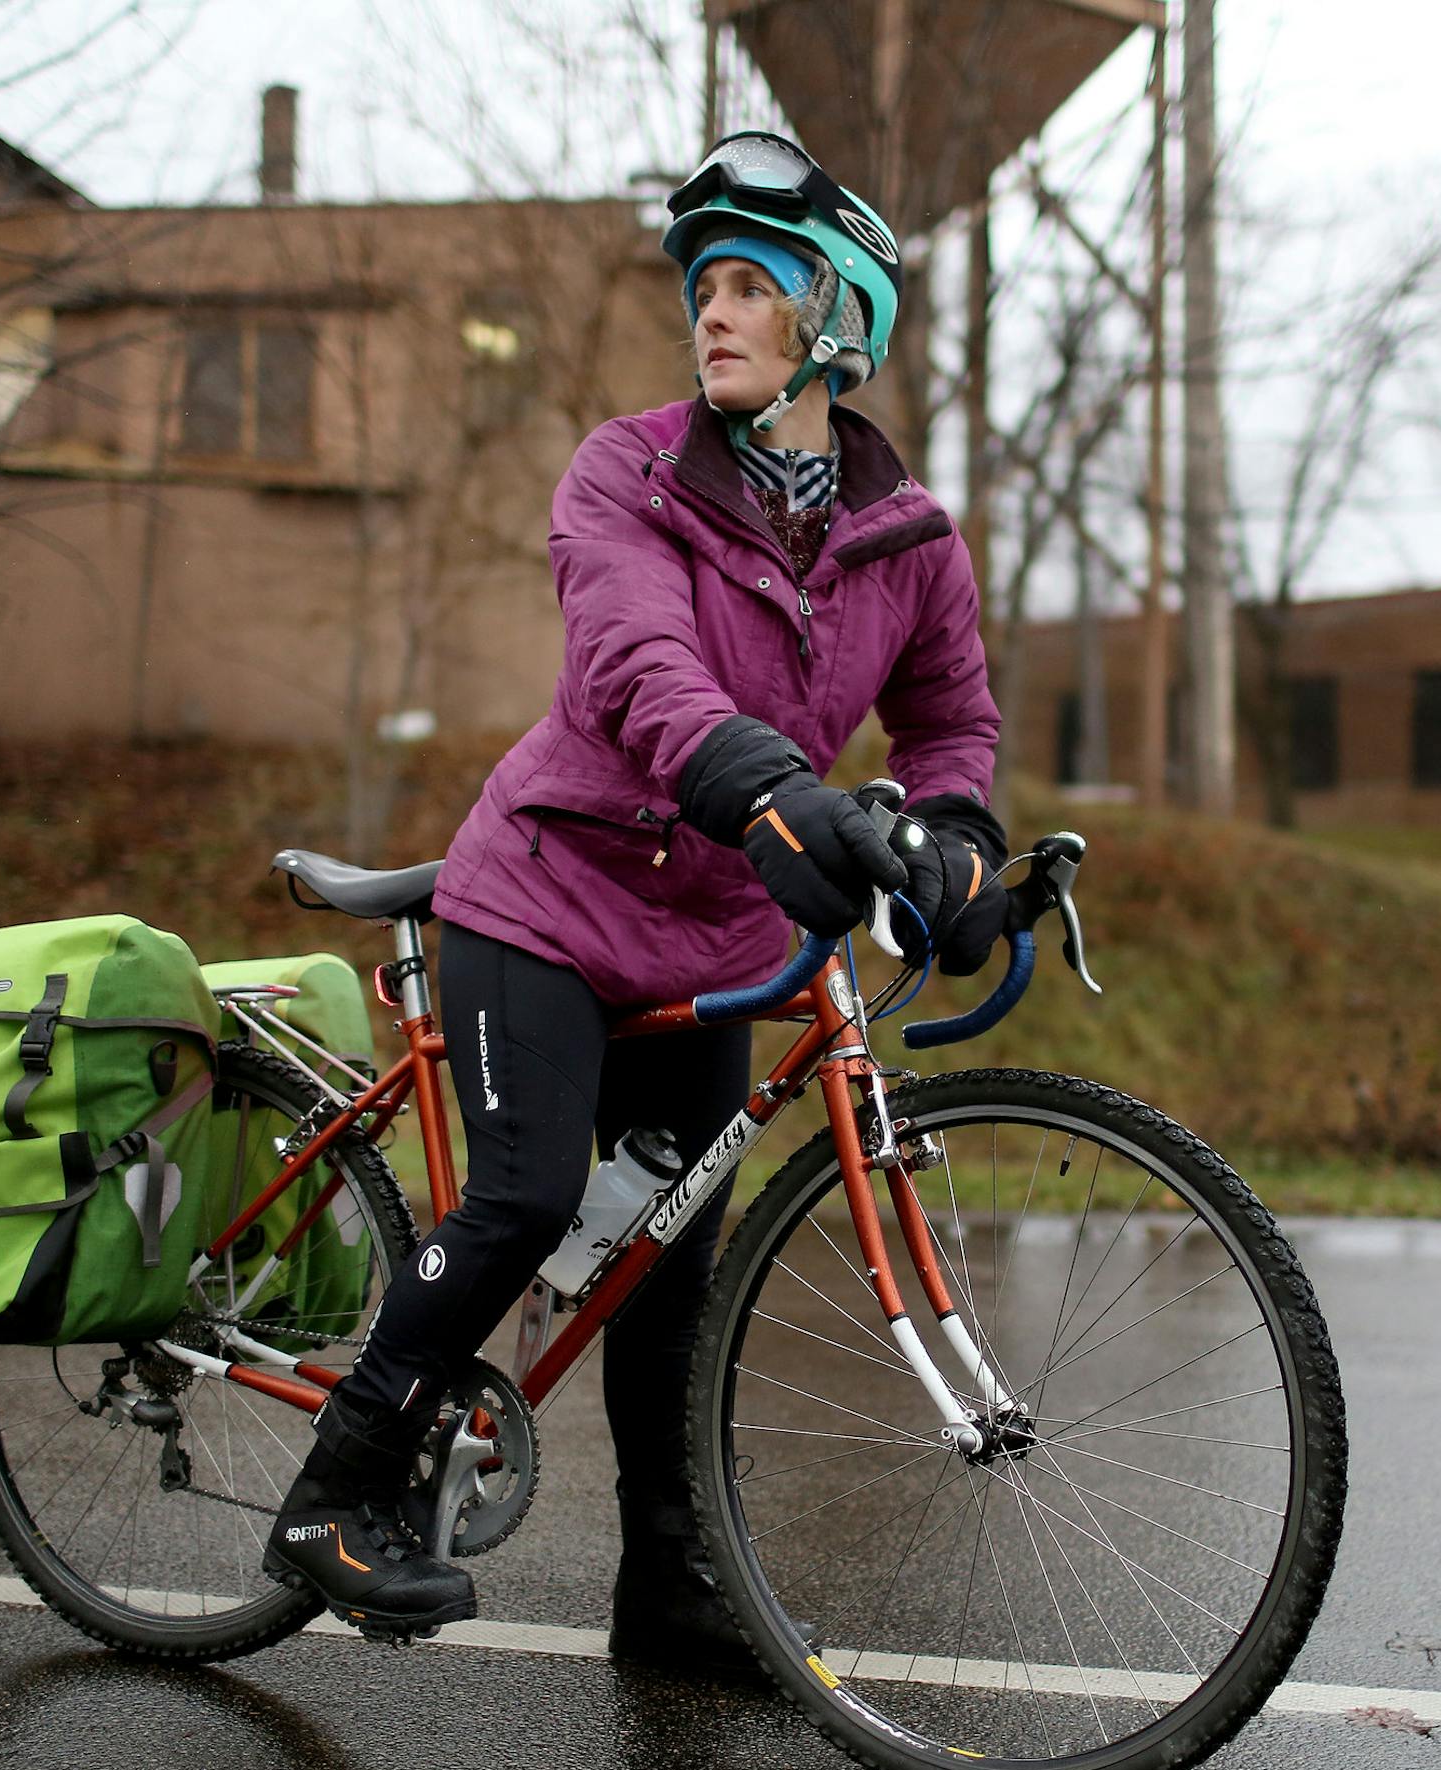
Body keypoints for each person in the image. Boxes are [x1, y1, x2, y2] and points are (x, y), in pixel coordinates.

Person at [263, 132, 1008, 1662]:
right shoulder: (630, 472)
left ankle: (667, 1589)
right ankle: (330, 1499)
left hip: (725, 938)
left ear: (837, 320)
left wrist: (958, 840)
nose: (713, 314)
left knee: (668, 1260)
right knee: (529, 1195)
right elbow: (634, 669)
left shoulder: (913, 544)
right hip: (544, 904)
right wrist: (765, 783)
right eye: (704, 289)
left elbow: (951, 724)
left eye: (751, 286)